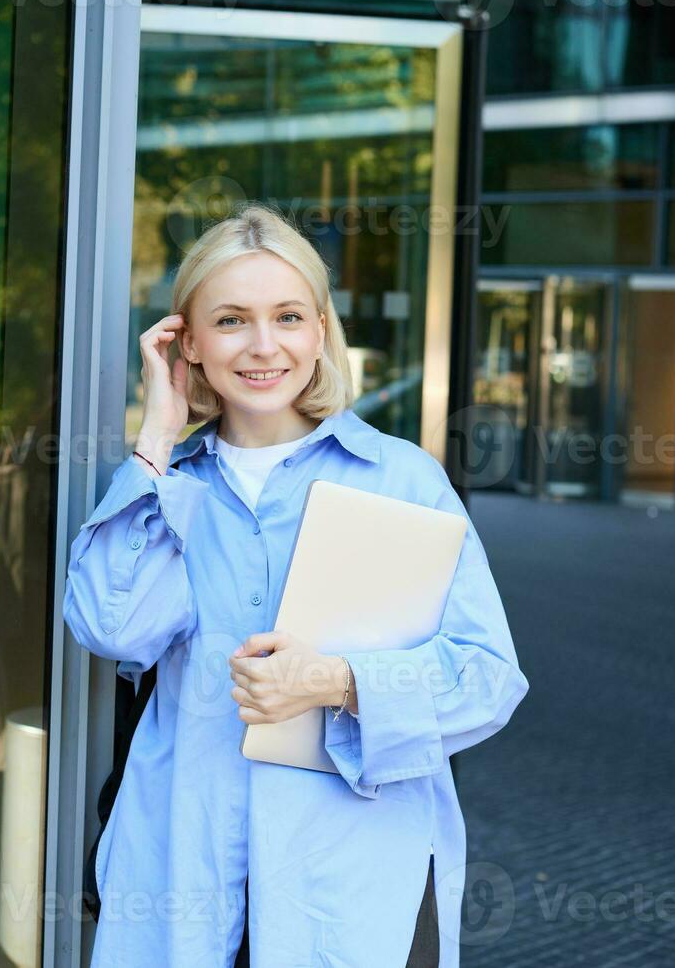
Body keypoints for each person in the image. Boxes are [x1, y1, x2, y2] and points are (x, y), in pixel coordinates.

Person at [62, 204, 529, 968]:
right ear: (189, 339)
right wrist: (155, 435)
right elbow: (111, 627)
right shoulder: (166, 489)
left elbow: (487, 678)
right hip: (186, 879)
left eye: (286, 316)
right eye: (232, 320)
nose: (263, 345)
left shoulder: (401, 480)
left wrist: (338, 682)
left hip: (351, 891)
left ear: (319, 329)